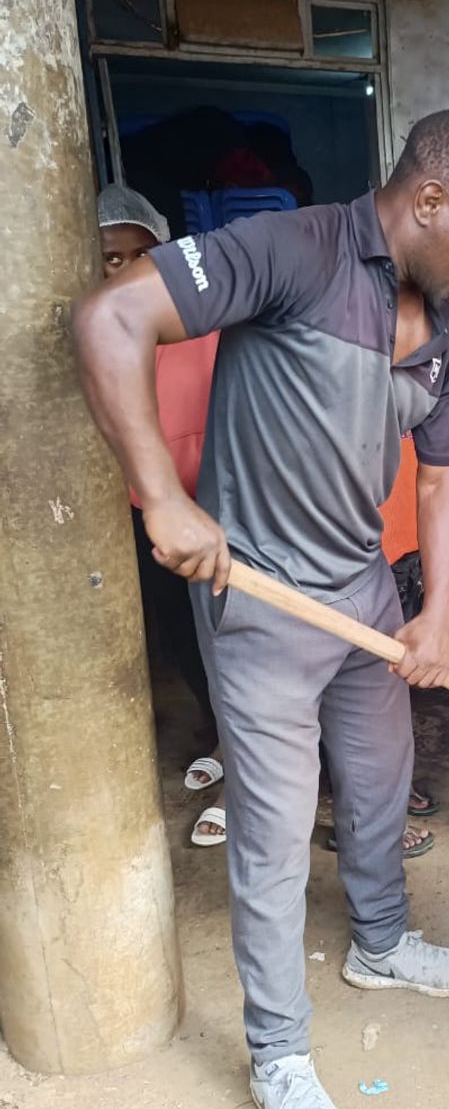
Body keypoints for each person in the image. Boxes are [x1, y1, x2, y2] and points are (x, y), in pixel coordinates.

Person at [76, 110, 449, 1109]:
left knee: (381, 783)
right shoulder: (292, 252)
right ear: (427, 202)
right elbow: (110, 320)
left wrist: (434, 614)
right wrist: (160, 500)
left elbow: (443, 474)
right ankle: (279, 1056)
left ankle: (379, 945)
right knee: (273, 840)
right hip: (265, 605)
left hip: (366, 599)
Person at [97, 184, 221, 780]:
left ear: (163, 253)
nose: (120, 269)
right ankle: (217, 726)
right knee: (180, 631)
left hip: (223, 507)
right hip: (148, 514)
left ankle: (241, 742)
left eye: (134, 255)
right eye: (107, 259)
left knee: (231, 629)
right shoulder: (104, 341)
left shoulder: (208, 328)